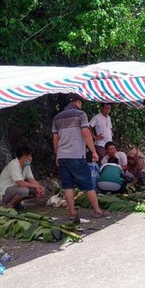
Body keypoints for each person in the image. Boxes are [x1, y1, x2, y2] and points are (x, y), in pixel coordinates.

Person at [52, 93, 107, 223]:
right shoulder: (81, 114)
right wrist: (94, 151)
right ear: (77, 102)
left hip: (63, 156)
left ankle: (72, 213)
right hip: (76, 155)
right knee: (87, 184)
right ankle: (97, 211)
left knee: (67, 185)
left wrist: (57, 154)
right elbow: (86, 134)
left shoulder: (57, 118)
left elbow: (55, 138)